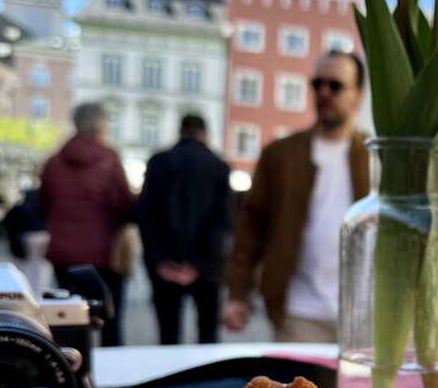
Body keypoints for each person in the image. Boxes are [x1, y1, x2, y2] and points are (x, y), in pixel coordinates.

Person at [223, 51, 369, 342]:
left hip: (364, 315)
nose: (324, 92)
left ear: (357, 95)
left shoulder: (376, 155)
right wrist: (238, 293)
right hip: (298, 313)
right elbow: (251, 225)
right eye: (317, 84)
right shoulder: (280, 154)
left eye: (335, 85)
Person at [40, 102, 137, 346]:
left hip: (63, 253)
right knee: (109, 321)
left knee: (68, 319)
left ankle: (70, 365)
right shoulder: (109, 159)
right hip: (104, 255)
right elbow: (124, 205)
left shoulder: (54, 161)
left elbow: (42, 204)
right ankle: (111, 367)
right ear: (101, 126)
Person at [138, 114, 231, 345]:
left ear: (180, 131)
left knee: (168, 334)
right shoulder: (218, 166)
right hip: (206, 268)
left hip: (165, 266)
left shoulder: (158, 162)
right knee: (208, 333)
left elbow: (146, 216)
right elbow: (224, 221)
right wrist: (200, 265)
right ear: (205, 134)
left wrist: (161, 261)